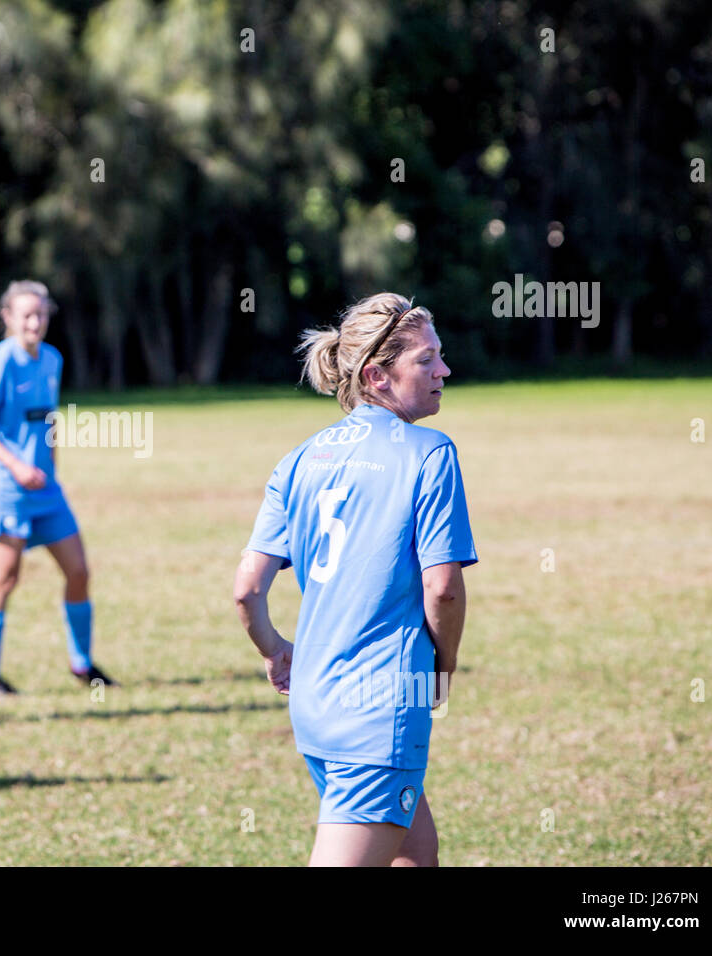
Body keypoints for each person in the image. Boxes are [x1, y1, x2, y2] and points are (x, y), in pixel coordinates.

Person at [233, 292, 476, 867]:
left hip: (316, 701)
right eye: (426, 360)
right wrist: (443, 664)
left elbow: (247, 588)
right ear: (377, 375)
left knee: (416, 854)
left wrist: (274, 650)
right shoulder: (430, 453)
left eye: (440, 355)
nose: (444, 369)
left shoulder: (300, 458)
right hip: (379, 706)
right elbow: (442, 588)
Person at [0, 279, 116, 696]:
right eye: (26, 314)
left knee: (79, 570)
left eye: (41, 314)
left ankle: (82, 665)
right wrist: (15, 465)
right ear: (8, 317)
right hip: (7, 489)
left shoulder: (51, 359)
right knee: (4, 577)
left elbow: (48, 421)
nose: (35, 322)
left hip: (47, 491)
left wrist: (53, 468)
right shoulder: (0, 362)